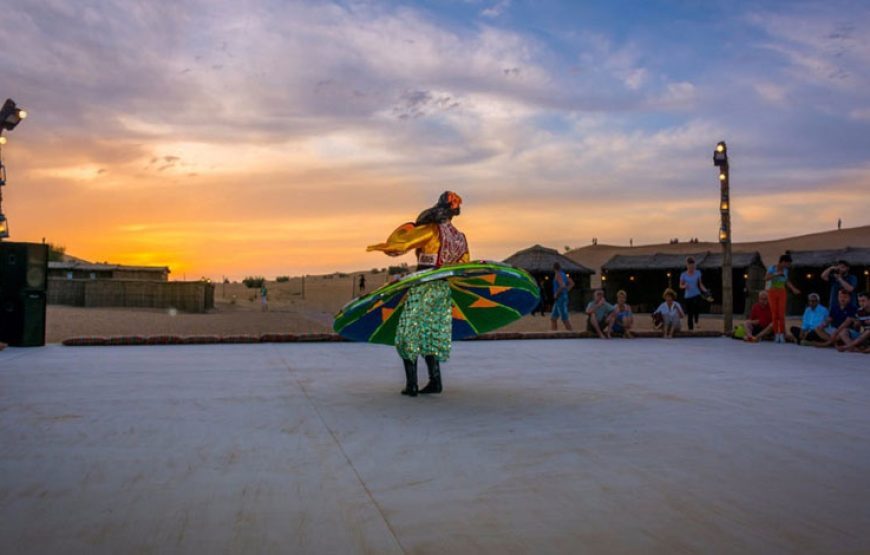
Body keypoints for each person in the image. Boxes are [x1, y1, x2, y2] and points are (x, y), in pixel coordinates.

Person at [367, 191, 468, 397]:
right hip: (442, 289)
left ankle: (411, 385)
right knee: (431, 334)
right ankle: (435, 381)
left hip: (423, 286)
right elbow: (464, 266)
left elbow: (401, 245)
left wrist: (384, 245)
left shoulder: (431, 230)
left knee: (407, 333)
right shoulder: (460, 238)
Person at [765, 253, 801, 343]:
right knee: (775, 313)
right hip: (772, 291)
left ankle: (781, 333)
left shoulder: (785, 271)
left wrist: (793, 289)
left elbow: (786, 280)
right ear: (783, 262)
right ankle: (776, 333)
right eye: (788, 264)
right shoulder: (772, 268)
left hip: (782, 291)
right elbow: (766, 278)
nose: (788, 266)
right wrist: (776, 274)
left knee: (781, 314)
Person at [679, 256, 710, 331]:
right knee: (690, 313)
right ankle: (690, 329)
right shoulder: (683, 275)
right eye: (690, 266)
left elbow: (700, 284)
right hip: (688, 296)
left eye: (693, 266)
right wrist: (684, 286)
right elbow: (680, 285)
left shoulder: (698, 273)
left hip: (696, 294)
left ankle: (696, 321)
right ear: (687, 265)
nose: (692, 268)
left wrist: (705, 291)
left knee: (696, 308)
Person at [550, 263, 574, 331]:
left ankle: (571, 334)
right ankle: (554, 334)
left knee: (564, 318)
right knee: (553, 318)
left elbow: (562, 285)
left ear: (553, 268)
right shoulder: (563, 274)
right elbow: (572, 283)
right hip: (561, 297)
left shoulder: (558, 275)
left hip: (560, 297)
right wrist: (566, 290)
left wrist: (556, 293)